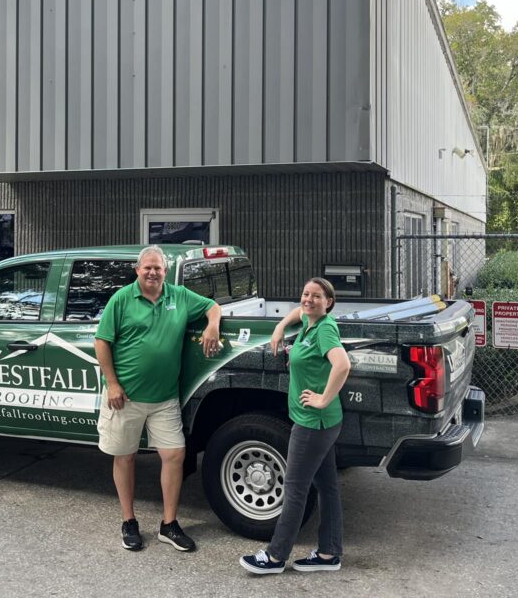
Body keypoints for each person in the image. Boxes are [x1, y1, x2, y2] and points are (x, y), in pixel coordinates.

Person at [94, 245, 222, 552]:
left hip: (165, 398)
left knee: (175, 455)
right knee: (124, 457)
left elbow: (212, 305)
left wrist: (212, 325)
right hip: (125, 397)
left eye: (158, 268)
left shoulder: (178, 296)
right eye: (147, 267)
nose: (153, 272)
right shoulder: (122, 299)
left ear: (165, 271)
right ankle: (129, 522)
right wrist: (112, 384)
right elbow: (102, 341)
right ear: (137, 270)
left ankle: (169, 524)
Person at [240, 277, 352, 575]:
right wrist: (279, 327)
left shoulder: (325, 329)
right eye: (305, 294)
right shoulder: (311, 321)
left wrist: (322, 399)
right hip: (325, 423)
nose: (308, 300)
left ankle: (275, 557)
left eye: (316, 296)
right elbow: (296, 312)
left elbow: (342, 364)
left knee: (294, 487)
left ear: (329, 302)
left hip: (313, 423)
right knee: (327, 486)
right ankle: (329, 553)